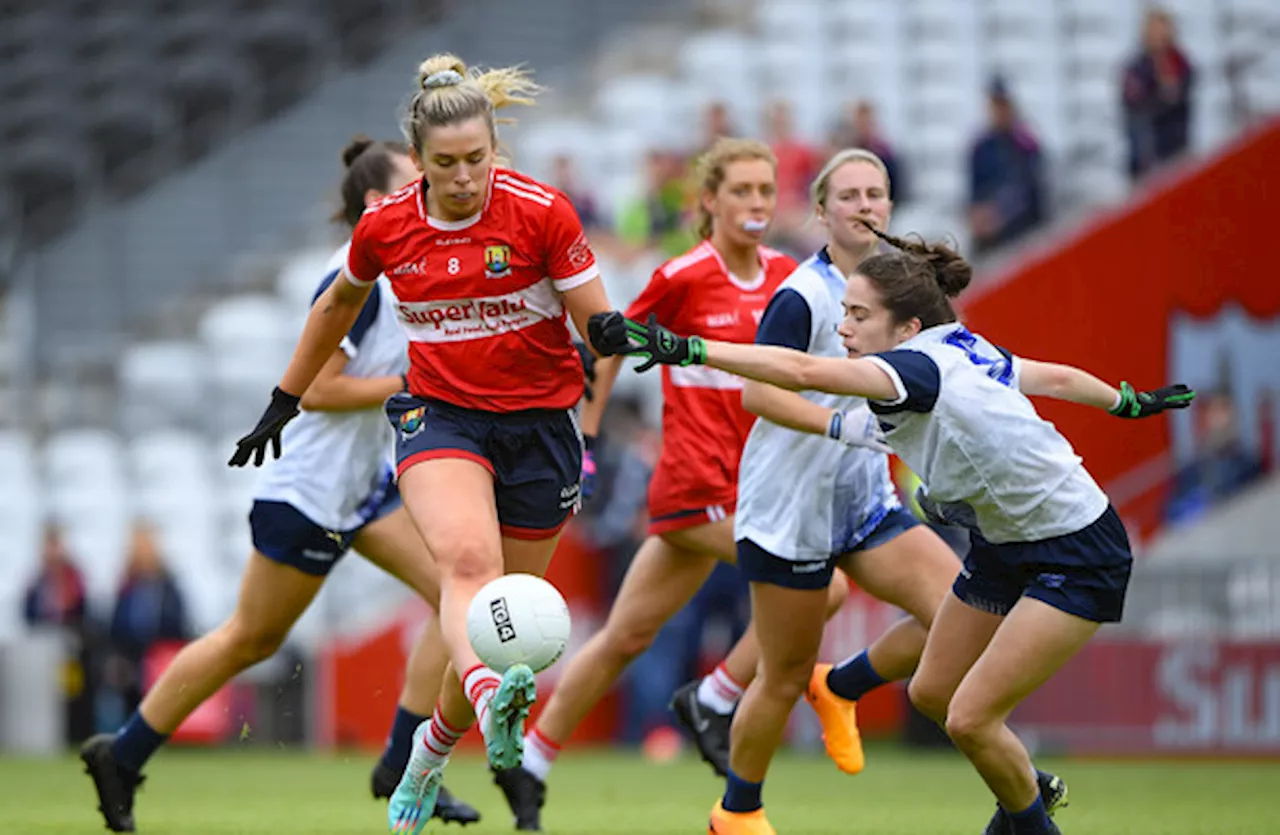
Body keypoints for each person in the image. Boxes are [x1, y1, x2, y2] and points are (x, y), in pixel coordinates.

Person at [591, 229, 1194, 835]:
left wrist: (687, 348)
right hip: (1003, 545)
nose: (844, 328)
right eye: (844, 312)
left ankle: (1028, 826)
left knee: (969, 719)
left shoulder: (914, 369)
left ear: (906, 328)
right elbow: (1055, 380)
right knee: (931, 694)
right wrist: (1126, 401)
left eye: (859, 316)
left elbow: (798, 369)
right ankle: (852, 693)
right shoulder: (964, 346)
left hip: (1078, 550)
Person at [228, 54, 614, 835]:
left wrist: (602, 352)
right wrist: (285, 396)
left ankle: (428, 755)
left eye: (477, 160)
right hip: (440, 418)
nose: (464, 178)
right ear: (420, 159)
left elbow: (599, 328)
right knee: (469, 574)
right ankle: (484, 702)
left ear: (495, 148)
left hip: (541, 430)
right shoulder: (388, 225)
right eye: (445, 164)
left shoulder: (545, 213)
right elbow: (338, 303)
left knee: (509, 627)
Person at [80, 137, 479, 833]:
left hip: (361, 486)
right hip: (310, 493)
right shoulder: (354, 280)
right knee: (250, 638)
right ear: (379, 203)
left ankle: (400, 766)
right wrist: (414, 384)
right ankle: (123, 753)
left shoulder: (400, 270)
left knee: (462, 598)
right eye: (419, 177)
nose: (434, 187)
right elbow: (319, 390)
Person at [493, 138, 876, 832]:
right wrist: (586, 436)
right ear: (708, 201)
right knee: (829, 586)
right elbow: (611, 340)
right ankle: (716, 697)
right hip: (698, 480)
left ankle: (531, 760)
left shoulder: (792, 274)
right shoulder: (685, 275)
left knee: (625, 635)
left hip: (755, 487)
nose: (757, 203)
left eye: (766, 190)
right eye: (741, 192)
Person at [106, 522, 190, 715]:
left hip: (161, 656)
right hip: (131, 657)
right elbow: (115, 627)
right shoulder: (127, 587)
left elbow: (177, 624)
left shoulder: (168, 586)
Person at [967, 78, 1046, 255]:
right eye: (995, 105)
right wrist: (978, 216)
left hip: (1022, 229)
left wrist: (1000, 215)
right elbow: (974, 193)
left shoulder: (1025, 145)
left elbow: (1032, 194)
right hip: (989, 230)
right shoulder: (981, 148)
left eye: (1002, 104)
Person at [1122, 6, 1195, 181]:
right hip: (1145, 153)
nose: (1160, 36)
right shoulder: (1136, 68)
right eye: (1155, 30)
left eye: (1163, 30)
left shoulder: (1180, 63)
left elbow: (1181, 94)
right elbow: (1136, 105)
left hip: (1177, 147)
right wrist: (1163, 95)